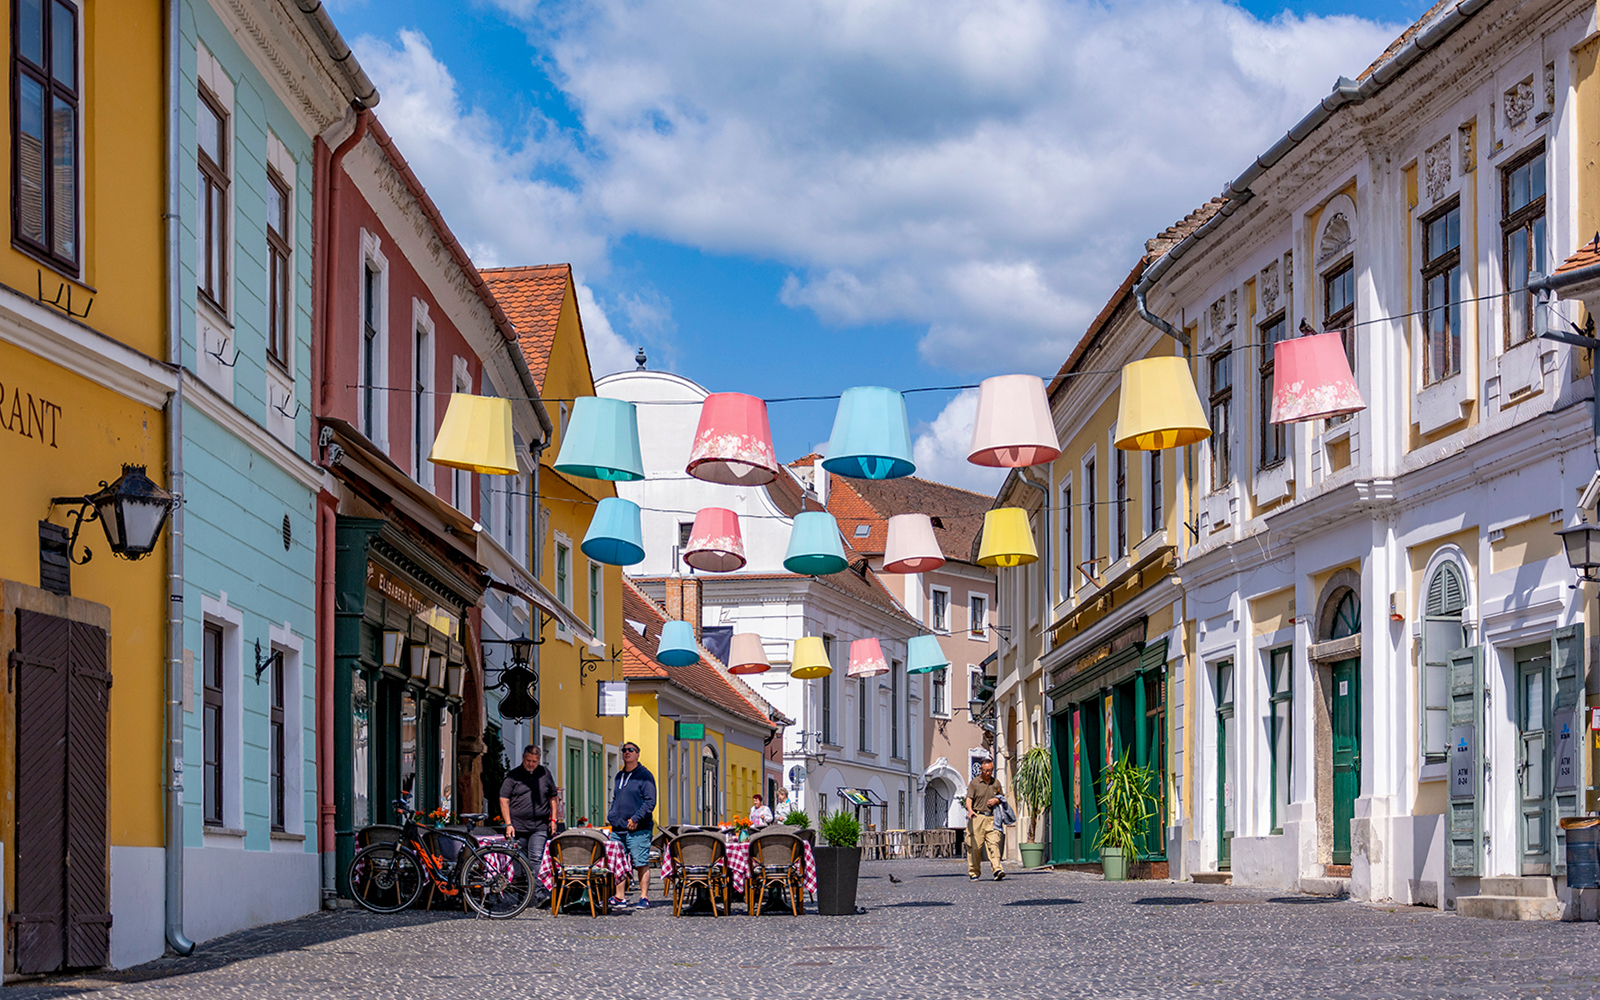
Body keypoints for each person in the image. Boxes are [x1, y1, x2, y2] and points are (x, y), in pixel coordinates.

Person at [607, 742, 657, 909]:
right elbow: (616, 798)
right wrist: (612, 815)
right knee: (617, 862)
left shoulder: (645, 775)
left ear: (637, 754)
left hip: (639, 828)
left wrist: (636, 818)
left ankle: (644, 897)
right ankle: (620, 896)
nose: (627, 753)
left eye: (631, 750)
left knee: (640, 862)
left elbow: (650, 801)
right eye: (624, 750)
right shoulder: (619, 776)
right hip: (618, 827)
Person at [499, 745, 558, 884]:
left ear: (539, 760)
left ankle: (539, 894)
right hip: (517, 827)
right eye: (528, 761)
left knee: (536, 858)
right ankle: (522, 895)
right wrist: (508, 824)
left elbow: (553, 798)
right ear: (523, 758)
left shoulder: (545, 774)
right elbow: (503, 800)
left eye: (534, 761)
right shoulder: (513, 776)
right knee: (518, 861)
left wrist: (554, 819)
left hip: (539, 826)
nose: (531, 764)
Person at [965, 758, 1006, 881]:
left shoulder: (996, 783)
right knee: (975, 847)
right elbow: (969, 798)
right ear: (981, 770)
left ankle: (997, 870)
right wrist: (970, 810)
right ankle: (974, 872)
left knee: (994, 844)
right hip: (977, 817)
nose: (988, 773)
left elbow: (1001, 797)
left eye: (990, 770)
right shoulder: (975, 783)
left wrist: (996, 800)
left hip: (992, 818)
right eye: (986, 770)